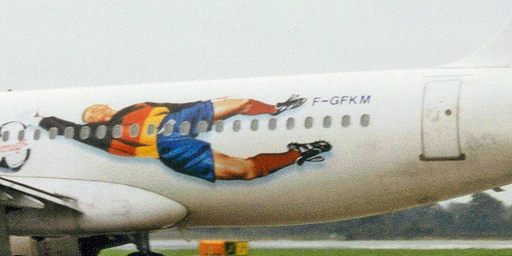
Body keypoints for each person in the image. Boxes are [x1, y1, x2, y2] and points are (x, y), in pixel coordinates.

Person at [38, 95, 331, 183]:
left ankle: (275, 108)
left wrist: (206, 110)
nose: (93, 116)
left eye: (95, 110)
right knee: (247, 171)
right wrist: (41, 120)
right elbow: (66, 128)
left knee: (240, 103)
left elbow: (175, 107)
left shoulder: (139, 106)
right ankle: (296, 154)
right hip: (168, 149)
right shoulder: (99, 135)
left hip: (172, 121)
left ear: (104, 106)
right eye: (89, 117)